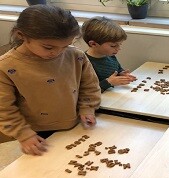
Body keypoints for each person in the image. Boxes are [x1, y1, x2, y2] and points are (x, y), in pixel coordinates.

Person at [0, 5, 101, 155]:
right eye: (48, 47)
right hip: (32, 134)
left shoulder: (76, 55)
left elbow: (89, 85)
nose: (57, 52)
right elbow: (4, 108)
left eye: (65, 46)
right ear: (21, 35)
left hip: (73, 125)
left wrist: (87, 107)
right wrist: (23, 134)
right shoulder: (6, 66)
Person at [81, 16, 137, 93]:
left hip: (112, 95)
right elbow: (87, 90)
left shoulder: (110, 56)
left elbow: (116, 69)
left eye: (120, 44)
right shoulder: (84, 63)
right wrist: (108, 82)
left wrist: (122, 74)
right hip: (98, 101)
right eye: (113, 46)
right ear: (93, 44)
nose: (118, 48)